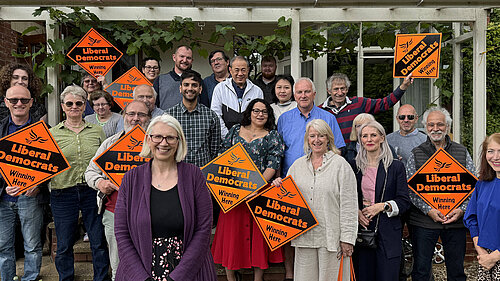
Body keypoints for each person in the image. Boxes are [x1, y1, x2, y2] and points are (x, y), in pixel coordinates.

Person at [114, 114, 217, 281]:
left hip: (188, 271)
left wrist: (177, 277)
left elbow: (203, 230)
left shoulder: (194, 176)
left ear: (178, 142)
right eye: (158, 137)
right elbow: (121, 232)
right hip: (141, 271)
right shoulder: (131, 179)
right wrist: (142, 278)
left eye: (170, 137)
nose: (163, 143)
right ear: (148, 140)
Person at [272, 119, 358, 281]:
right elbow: (287, 197)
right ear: (307, 139)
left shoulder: (341, 165)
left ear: (328, 139)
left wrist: (347, 239)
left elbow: (349, 205)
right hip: (304, 237)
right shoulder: (297, 166)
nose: (316, 140)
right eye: (312, 136)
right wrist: (278, 186)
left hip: (331, 238)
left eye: (321, 136)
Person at [211, 98, 284, 281]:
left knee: (258, 237)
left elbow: (273, 164)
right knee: (232, 236)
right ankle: (230, 277)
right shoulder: (235, 130)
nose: (260, 114)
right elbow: (223, 154)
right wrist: (235, 187)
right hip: (233, 192)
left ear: (269, 115)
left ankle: (257, 278)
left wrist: (255, 187)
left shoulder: (272, 135)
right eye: (256, 110)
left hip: (259, 191)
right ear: (249, 113)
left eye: (264, 112)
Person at [406, 106, 476, 281]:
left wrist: (461, 209)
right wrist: (429, 210)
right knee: (421, 271)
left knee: (457, 271)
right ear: (425, 127)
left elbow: (473, 186)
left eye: (440, 124)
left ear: (448, 127)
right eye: (431, 125)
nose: (435, 128)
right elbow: (410, 190)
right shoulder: (417, 153)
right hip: (424, 222)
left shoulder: (461, 151)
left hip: (455, 222)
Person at [85, 100, 151, 281]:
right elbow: (90, 171)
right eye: (131, 114)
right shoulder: (110, 143)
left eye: (141, 115)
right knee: (118, 265)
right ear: (124, 117)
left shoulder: (157, 144)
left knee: (148, 263)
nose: (135, 119)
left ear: (149, 118)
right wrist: (100, 183)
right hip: (115, 214)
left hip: (150, 214)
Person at [50, 85, 110, 281]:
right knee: (65, 243)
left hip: (91, 191)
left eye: (78, 103)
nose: (74, 106)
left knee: (97, 240)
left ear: (85, 106)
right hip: (62, 192)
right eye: (69, 103)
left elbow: (104, 160)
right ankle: (65, 277)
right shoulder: (52, 133)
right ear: (62, 106)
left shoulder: (97, 131)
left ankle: (101, 278)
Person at [349, 121, 410, 281]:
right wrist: (355, 211)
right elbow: (346, 197)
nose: (369, 139)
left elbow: (404, 201)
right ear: (360, 140)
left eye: (373, 135)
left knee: (388, 276)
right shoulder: (353, 166)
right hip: (362, 230)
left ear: (382, 138)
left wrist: (382, 206)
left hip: (388, 231)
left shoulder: (395, 167)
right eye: (364, 136)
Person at [0, 86, 46, 281]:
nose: (19, 104)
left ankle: (31, 278)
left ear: (31, 102)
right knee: (3, 246)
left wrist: (39, 184)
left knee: (33, 245)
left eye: (24, 100)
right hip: (3, 197)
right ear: (6, 102)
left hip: (30, 197)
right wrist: (3, 183)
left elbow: (49, 165)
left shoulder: (43, 131)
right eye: (14, 100)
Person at [277, 77, 345, 176]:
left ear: (314, 94)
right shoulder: (284, 119)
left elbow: (337, 149)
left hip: (321, 176)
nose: (303, 96)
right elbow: (278, 151)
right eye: (299, 92)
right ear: (294, 96)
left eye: (307, 92)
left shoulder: (329, 118)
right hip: (291, 177)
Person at [319, 73, 414, 143]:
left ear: (347, 89)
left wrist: (403, 86)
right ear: (329, 91)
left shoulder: (359, 103)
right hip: (331, 157)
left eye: (343, 88)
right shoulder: (320, 111)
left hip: (356, 156)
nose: (340, 93)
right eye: (336, 89)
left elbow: (384, 104)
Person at [464, 133, 500, 280]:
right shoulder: (482, 184)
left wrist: (495, 256)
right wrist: (482, 253)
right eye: (490, 151)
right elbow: (472, 218)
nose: (495, 157)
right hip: (485, 259)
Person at [166, 70, 221, 167]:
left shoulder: (211, 116)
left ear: (200, 89)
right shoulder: (169, 116)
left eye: (194, 85)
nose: (190, 88)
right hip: (176, 171)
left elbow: (214, 149)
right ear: (180, 88)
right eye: (186, 85)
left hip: (202, 172)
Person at [211, 56, 263, 138]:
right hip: (225, 139)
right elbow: (216, 115)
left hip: (250, 139)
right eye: (236, 70)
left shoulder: (257, 91)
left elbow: (259, 117)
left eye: (243, 70)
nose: (240, 74)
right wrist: (228, 137)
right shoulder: (220, 89)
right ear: (230, 70)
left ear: (248, 70)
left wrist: (248, 138)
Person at [154, 45, 194, 110]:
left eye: (188, 58)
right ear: (174, 57)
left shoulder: (198, 81)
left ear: (192, 61)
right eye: (182, 56)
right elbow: (153, 107)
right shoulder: (160, 80)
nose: (184, 60)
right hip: (165, 119)